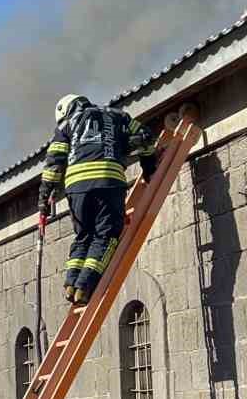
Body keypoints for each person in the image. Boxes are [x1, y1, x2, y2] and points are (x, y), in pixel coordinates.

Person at [37, 94, 162, 305]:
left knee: (83, 236)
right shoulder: (118, 115)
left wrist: (43, 201)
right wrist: (149, 169)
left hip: (77, 189)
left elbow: (54, 164)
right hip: (108, 182)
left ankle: (71, 284)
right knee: (106, 235)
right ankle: (85, 287)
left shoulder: (67, 125)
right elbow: (145, 137)